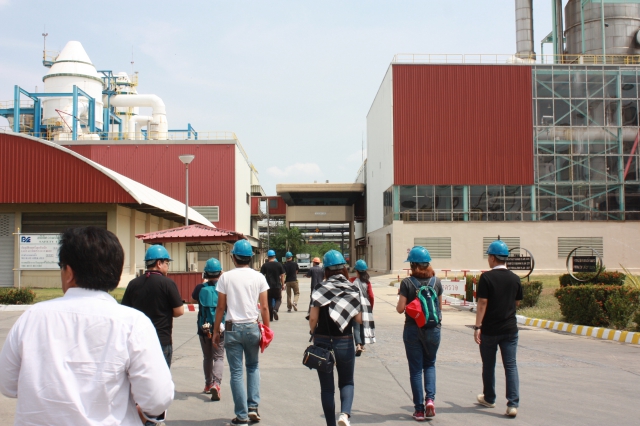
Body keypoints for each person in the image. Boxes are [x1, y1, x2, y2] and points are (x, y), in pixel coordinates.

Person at [0, 227, 174, 425]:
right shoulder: (133, 323)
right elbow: (157, 399)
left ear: (69, 272)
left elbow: (8, 384)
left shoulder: (31, 318)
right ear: (116, 274)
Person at [213, 240, 270, 425]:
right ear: (250, 258)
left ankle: (241, 416)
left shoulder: (225, 278)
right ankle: (253, 407)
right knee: (253, 366)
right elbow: (265, 307)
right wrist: (267, 329)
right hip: (252, 326)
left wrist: (216, 330)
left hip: (232, 327)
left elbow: (220, 307)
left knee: (236, 372)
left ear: (233, 257)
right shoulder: (259, 277)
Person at [309, 250, 364, 426]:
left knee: (327, 388)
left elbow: (313, 319)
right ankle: (344, 415)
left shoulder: (320, 289)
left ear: (326, 270)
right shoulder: (352, 288)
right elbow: (359, 319)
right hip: (345, 340)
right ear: (344, 269)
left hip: (322, 341)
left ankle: (331, 424)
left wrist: (313, 331)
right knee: (347, 382)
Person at [474, 239, 523, 418]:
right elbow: (517, 302)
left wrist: (477, 326)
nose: (488, 259)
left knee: (489, 365)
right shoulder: (515, 278)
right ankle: (512, 404)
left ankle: (489, 398)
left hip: (490, 329)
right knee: (510, 366)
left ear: (493, 258)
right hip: (510, 329)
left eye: (489, 256)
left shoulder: (486, 278)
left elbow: (482, 303)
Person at [396, 246, 443, 421]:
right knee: (429, 364)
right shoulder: (436, 282)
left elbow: (400, 309)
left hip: (412, 329)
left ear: (413, 265)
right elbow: (439, 308)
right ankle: (430, 400)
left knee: (416, 370)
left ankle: (419, 410)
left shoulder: (407, 283)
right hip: (433, 329)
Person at [122, 244, 185, 367]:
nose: (167, 267)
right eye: (167, 263)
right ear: (159, 263)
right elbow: (179, 311)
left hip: (138, 340)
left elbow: (126, 310)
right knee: (161, 376)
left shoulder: (133, 284)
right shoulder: (167, 283)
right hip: (161, 339)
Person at [191, 258, 226, 400]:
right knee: (219, 357)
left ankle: (208, 384)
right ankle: (216, 384)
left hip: (204, 327)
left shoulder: (200, 288)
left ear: (205, 272)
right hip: (220, 327)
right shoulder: (224, 288)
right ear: (220, 272)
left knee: (207, 357)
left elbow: (193, 300)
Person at [350, 259, 375, 356]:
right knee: (363, 326)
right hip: (365, 307)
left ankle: (358, 345)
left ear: (356, 270)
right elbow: (371, 296)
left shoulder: (352, 281)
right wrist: (370, 308)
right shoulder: (367, 283)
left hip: (355, 306)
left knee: (356, 326)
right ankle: (363, 345)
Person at [260, 249, 285, 321]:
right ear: (274, 256)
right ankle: (275, 309)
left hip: (268, 287)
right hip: (277, 286)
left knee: (269, 301)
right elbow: (282, 275)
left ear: (268, 257)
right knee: (278, 299)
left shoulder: (265, 265)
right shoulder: (279, 264)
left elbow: (261, 276)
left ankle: (270, 317)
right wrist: (283, 284)